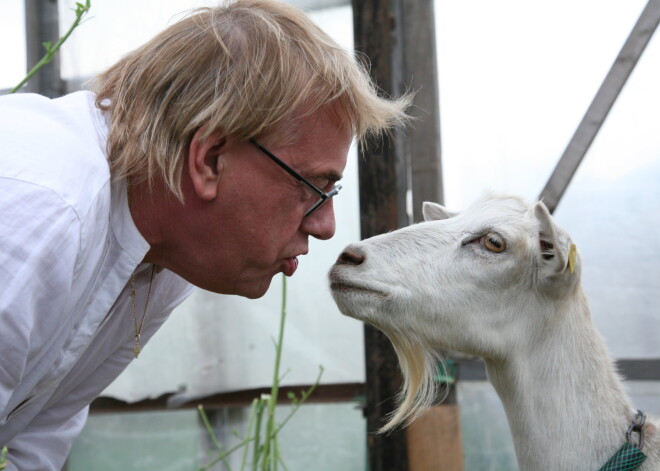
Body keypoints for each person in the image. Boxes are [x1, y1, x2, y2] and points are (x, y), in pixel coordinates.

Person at [0, 0, 409, 469]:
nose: (325, 225)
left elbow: (37, 438)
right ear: (211, 158)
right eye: (313, 186)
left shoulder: (163, 258)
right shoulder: (43, 207)